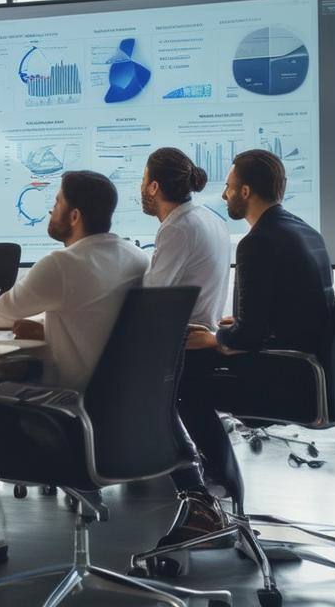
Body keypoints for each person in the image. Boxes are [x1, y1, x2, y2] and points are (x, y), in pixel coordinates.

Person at [0, 170, 150, 569]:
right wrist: (48, 323)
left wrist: (28, 319)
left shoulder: (62, 262)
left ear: (74, 215)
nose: (51, 210)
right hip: (122, 426)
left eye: (56, 203)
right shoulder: (136, 256)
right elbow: (100, 319)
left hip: (62, 423)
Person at [174, 149, 333, 540]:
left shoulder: (257, 241)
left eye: (229, 188)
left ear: (246, 191)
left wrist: (216, 337)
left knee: (182, 383)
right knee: (194, 370)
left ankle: (216, 494)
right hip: (311, 371)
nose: (225, 196)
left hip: (286, 379)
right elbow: (287, 315)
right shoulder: (303, 230)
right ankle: (222, 494)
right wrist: (234, 329)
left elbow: (247, 338)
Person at [136, 148, 234, 546]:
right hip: (202, 337)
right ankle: (204, 496)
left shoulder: (176, 227)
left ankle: (196, 497)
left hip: (182, 347)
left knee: (139, 398)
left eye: (143, 180)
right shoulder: (209, 218)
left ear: (155, 186)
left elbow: (153, 298)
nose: (140, 188)